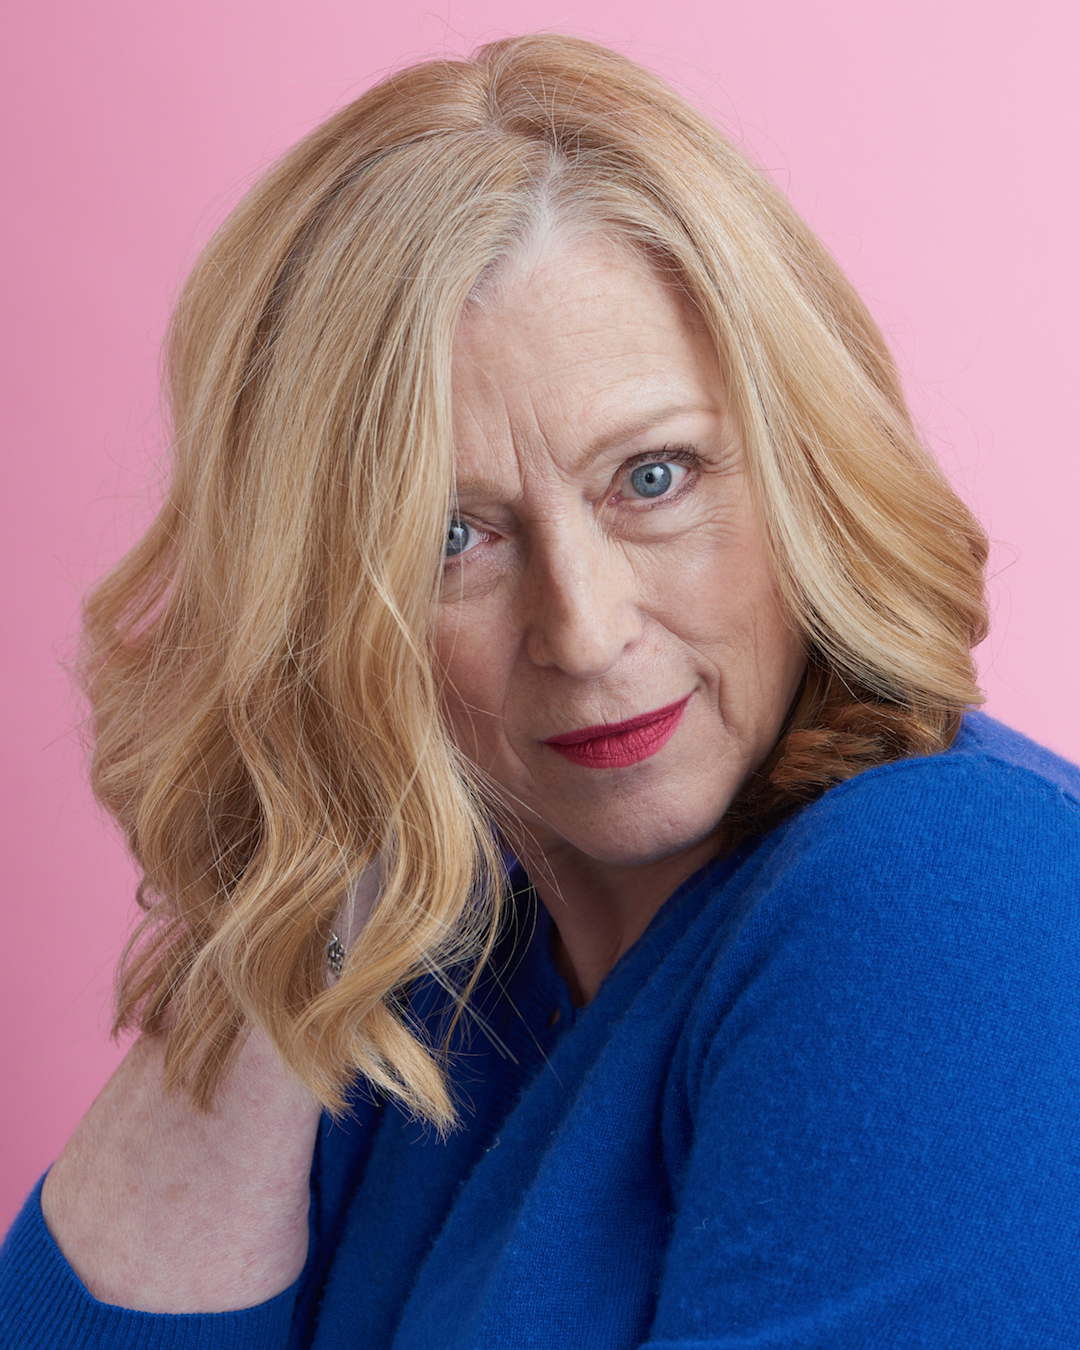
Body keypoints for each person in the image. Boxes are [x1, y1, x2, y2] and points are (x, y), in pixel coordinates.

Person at [2, 32, 1078, 1350]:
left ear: (803, 467)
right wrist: (293, 865)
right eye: (452, 537)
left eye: (654, 477)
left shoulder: (948, 888)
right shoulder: (418, 984)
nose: (583, 625)